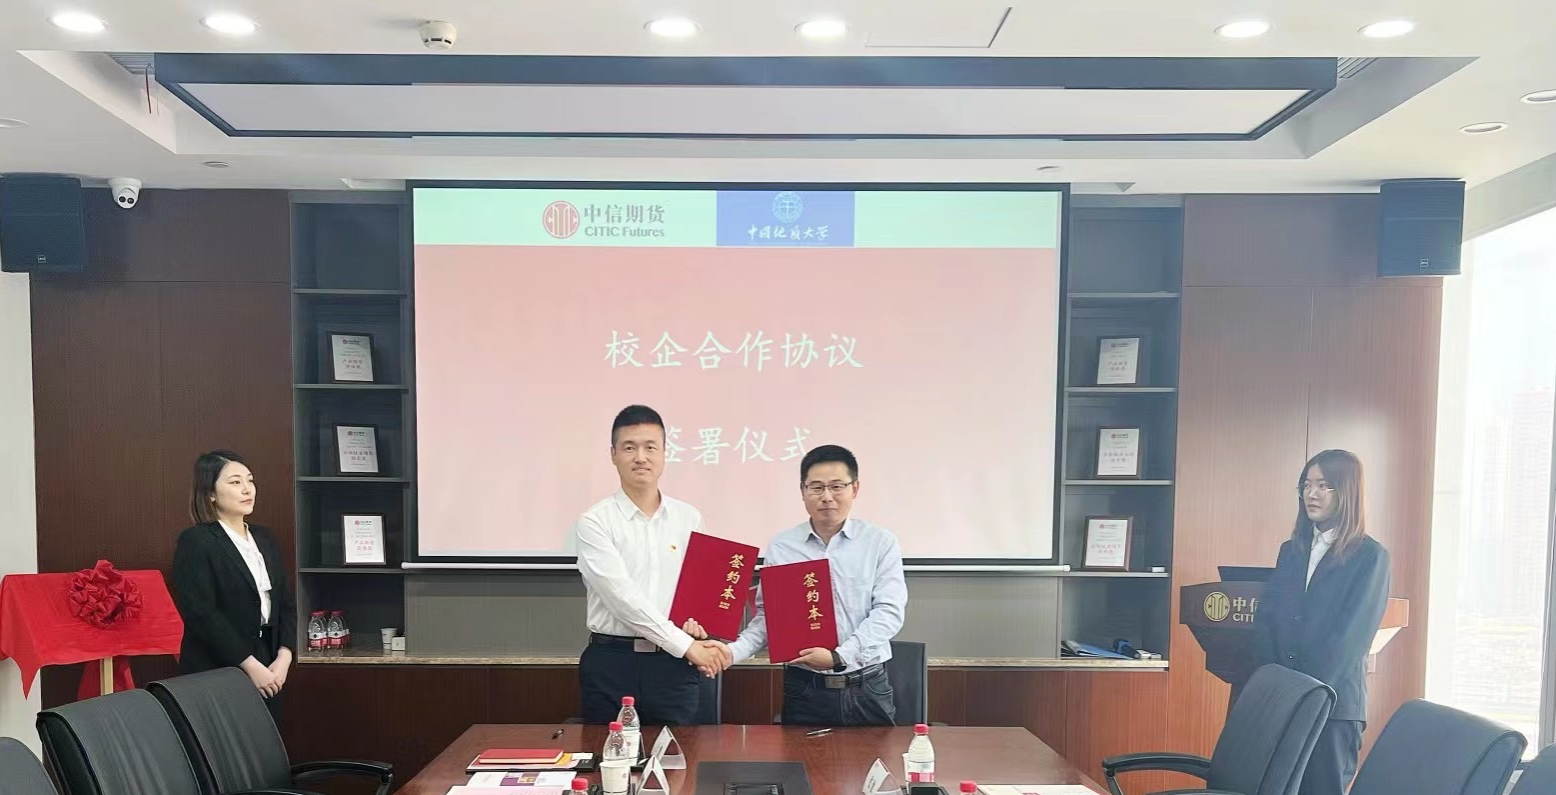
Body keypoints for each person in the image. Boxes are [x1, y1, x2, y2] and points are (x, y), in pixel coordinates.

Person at [723, 444, 908, 726]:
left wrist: (839, 656)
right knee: (801, 756)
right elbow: (769, 618)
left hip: (866, 685)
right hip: (804, 687)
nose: (827, 497)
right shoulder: (783, 546)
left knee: (875, 756)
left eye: (837, 486)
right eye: (817, 487)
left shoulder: (880, 542)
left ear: (855, 488)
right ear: (802, 490)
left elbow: (889, 612)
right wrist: (731, 652)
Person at [574, 405, 730, 725]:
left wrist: (697, 622)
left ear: (664, 453)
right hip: (613, 664)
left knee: (679, 754)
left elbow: (699, 590)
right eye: (629, 448)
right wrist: (686, 645)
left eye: (650, 447)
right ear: (613, 455)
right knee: (611, 753)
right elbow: (622, 599)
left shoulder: (689, 518)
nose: (640, 457)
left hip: (673, 666)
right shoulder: (595, 522)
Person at [1253, 449, 1390, 795]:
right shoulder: (1291, 550)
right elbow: (1268, 621)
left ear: (1347, 492)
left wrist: (1304, 696)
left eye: (1324, 486)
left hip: (1334, 707)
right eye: (1306, 485)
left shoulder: (1370, 557)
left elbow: (1349, 642)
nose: (1311, 494)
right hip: (1284, 704)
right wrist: (1278, 689)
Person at [169, 450, 296, 722]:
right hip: (218, 665)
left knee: (265, 740)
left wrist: (284, 656)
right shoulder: (196, 541)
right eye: (235, 482)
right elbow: (201, 613)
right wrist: (249, 664)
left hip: (269, 660)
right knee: (226, 741)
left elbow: (285, 603)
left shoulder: (265, 537)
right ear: (211, 494)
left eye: (250, 480)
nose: (247, 489)